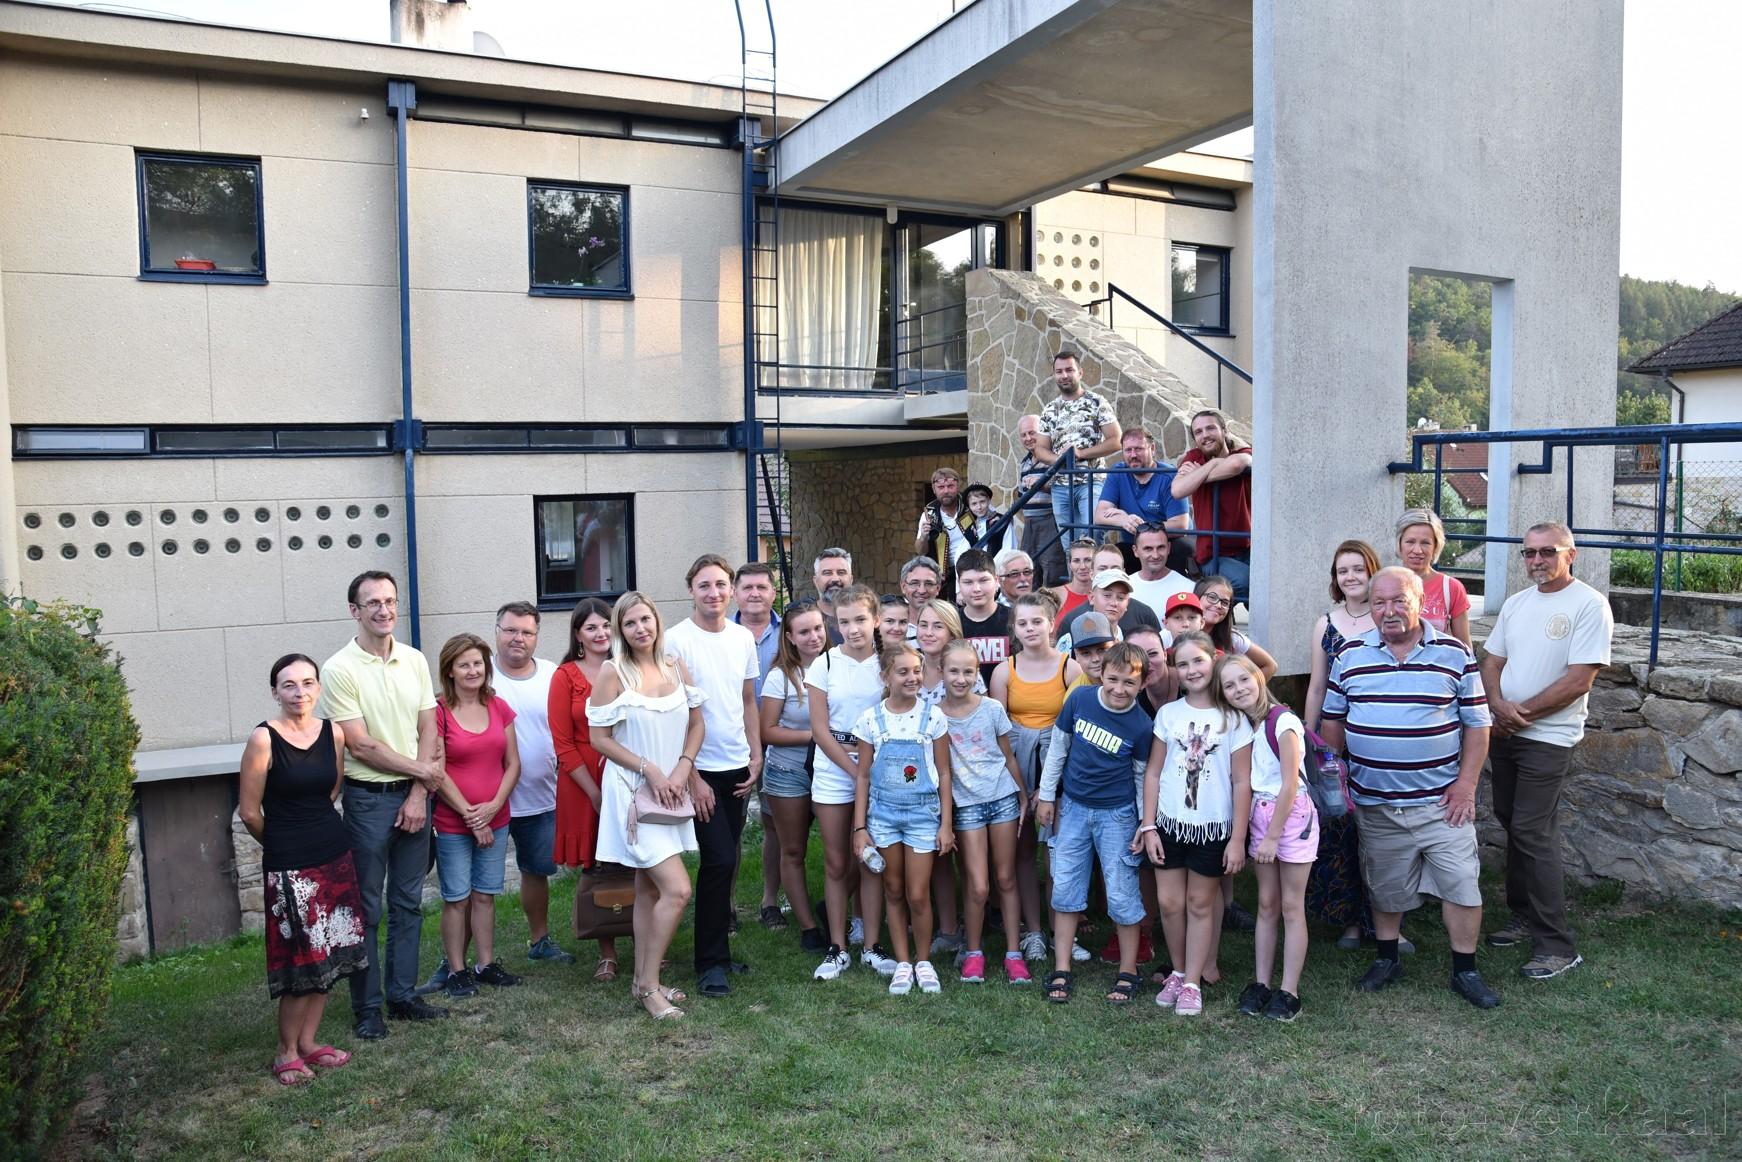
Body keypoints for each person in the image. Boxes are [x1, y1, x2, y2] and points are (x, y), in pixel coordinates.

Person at [1320, 567, 1500, 1009]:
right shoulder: (1349, 654)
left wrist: (1466, 786)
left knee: (1462, 886)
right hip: (1376, 802)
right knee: (1386, 887)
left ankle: (1465, 970)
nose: (1389, 611)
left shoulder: (1455, 653)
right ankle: (1387, 959)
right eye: (1379, 603)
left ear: (1420, 601)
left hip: (1442, 804)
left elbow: (1478, 724)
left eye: (1399, 600)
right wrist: (1336, 776)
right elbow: (1333, 719)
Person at [317, 571, 447, 1039]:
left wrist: (418, 792)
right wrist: (424, 773)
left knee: (408, 903)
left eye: (390, 601)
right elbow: (360, 744)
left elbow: (429, 727)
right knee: (367, 907)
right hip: (368, 801)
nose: (384, 610)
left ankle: (403, 995)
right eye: (372, 602)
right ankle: (368, 1008)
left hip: (414, 797)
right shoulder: (338, 669)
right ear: (354, 610)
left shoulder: (414, 659)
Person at [1480, 521, 1612, 980]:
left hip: (1549, 737)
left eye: (1547, 552)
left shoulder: (1589, 605)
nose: (1537, 560)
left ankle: (1557, 946)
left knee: (1532, 830)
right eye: (1529, 552)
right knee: (1512, 822)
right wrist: (1497, 706)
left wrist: (1520, 714)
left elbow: (1579, 680)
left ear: (1570, 555)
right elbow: (1492, 661)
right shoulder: (1517, 604)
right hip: (1505, 731)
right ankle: (1523, 915)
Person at [238, 654, 366, 1085]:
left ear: (319, 688)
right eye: (289, 685)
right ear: (275, 691)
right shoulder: (263, 739)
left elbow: (331, 790)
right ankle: (286, 1052)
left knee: (328, 954)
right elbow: (249, 811)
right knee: (301, 961)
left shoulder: (334, 733)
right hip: (290, 866)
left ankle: (309, 1043)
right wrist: (283, 843)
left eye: (308, 683)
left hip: (334, 856)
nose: (300, 693)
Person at [588, 592, 704, 1020]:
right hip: (633, 795)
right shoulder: (613, 671)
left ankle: (641, 979)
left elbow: (697, 723)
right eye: (630, 623)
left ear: (657, 620)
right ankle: (651, 987)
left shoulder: (675, 664)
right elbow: (599, 739)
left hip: (671, 793)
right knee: (678, 889)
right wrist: (650, 769)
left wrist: (682, 769)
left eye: (645, 619)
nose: (640, 628)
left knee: (649, 889)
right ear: (620, 630)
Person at [663, 554, 762, 1000]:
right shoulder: (675, 641)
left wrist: (756, 755)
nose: (714, 593)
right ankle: (708, 964)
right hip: (699, 770)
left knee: (727, 861)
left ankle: (718, 952)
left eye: (721, 584)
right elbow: (674, 714)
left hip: (737, 767)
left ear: (732, 590)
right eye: (704, 585)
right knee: (718, 860)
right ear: (691, 590)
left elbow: (747, 700)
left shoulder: (742, 637)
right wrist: (692, 777)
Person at [1139, 632, 1253, 1017]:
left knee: (1200, 903)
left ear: (1214, 660)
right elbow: (1153, 772)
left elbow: (1242, 782)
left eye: (1198, 661)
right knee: (1170, 903)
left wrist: (1237, 839)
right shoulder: (1168, 714)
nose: (1191, 670)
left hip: (1212, 827)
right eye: (1182, 663)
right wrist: (1149, 826)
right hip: (1170, 823)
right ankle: (1178, 970)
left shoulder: (1233, 718)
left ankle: (1192, 983)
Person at [1035, 642, 1154, 1004]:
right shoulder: (1080, 700)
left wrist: (1142, 822)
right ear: (1100, 674)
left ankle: (1128, 969)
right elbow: (1058, 749)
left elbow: (1141, 777)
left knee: (1121, 891)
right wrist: (1046, 795)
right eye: (1113, 679)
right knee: (1066, 885)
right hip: (1073, 808)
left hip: (1117, 815)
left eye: (1129, 683)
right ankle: (1062, 965)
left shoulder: (1141, 726)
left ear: (1143, 684)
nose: (1119, 689)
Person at [1218, 654, 1317, 1023]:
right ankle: (1261, 983)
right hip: (1261, 813)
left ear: (1259, 678)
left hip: (1290, 818)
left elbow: (1290, 784)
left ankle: (1289, 991)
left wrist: (1272, 837)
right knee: (1266, 903)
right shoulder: (1247, 725)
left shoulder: (1283, 721)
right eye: (1229, 685)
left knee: (1291, 905)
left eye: (1244, 679)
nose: (1239, 689)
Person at [853, 642, 956, 996]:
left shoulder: (933, 717)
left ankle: (923, 961)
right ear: (886, 677)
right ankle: (902, 963)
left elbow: (944, 772)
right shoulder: (871, 719)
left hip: (923, 816)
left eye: (916, 671)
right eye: (903, 672)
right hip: (883, 817)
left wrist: (946, 824)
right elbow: (863, 776)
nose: (912, 678)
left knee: (917, 893)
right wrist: (860, 827)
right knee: (893, 889)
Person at [808, 585, 898, 980]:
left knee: (870, 858)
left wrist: (872, 772)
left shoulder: (888, 661)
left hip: (880, 766)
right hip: (836, 767)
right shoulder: (824, 664)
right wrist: (855, 772)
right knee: (836, 861)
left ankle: (872, 946)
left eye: (860, 619)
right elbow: (819, 729)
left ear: (876, 619)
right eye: (844, 622)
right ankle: (837, 947)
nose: (853, 628)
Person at [430, 633, 524, 999]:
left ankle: (486, 965)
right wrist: (473, 818)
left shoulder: (498, 706)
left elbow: (513, 764)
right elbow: (437, 771)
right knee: (457, 898)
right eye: (464, 664)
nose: (473, 670)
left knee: (485, 895)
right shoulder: (438, 711)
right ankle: (457, 971)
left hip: (497, 817)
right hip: (453, 823)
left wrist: (494, 806)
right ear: (450, 671)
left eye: (478, 663)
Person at [991, 591, 1083, 963]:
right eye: (1023, 623)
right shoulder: (1004, 671)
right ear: (1014, 628)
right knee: (1025, 852)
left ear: (1051, 624)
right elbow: (997, 733)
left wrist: (1049, 787)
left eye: (1037, 621)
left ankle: (1063, 931)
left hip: (1058, 765)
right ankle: (1033, 932)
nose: (1030, 629)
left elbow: (1076, 727)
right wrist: (1020, 786)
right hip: (1016, 765)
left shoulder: (1070, 669)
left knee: (1059, 852)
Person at [1302, 540, 1384, 952]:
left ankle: (1386, 921)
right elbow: (1317, 686)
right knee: (1341, 829)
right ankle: (1349, 919)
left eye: (1358, 569)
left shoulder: (1386, 617)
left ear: (1372, 571)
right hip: (1333, 742)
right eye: (1342, 570)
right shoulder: (1326, 624)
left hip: (1379, 738)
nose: (1350, 577)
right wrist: (1308, 735)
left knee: (1382, 831)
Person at [938, 639, 1029, 985]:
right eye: (954, 671)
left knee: (1005, 878)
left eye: (968, 671)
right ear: (942, 672)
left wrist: (1022, 795)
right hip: (967, 806)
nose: (961, 679)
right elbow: (941, 770)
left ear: (977, 673)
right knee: (978, 885)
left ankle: (1013, 953)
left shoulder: (991, 709)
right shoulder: (935, 716)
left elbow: (1008, 756)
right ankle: (974, 952)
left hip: (1002, 798)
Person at [488, 602, 572, 967]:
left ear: (537, 637)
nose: (517, 638)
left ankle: (540, 940)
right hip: (487, 799)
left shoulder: (553, 675)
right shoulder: (479, 672)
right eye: (510, 630)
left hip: (541, 795)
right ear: (497, 632)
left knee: (536, 871)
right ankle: (459, 958)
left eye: (526, 632)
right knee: (478, 882)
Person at [548, 597, 621, 982]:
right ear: (578, 634)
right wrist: (594, 793)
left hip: (625, 772)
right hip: (582, 782)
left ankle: (646, 941)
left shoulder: (628, 667)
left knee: (638, 861)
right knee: (598, 866)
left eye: (606, 625)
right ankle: (606, 951)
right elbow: (562, 744)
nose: (601, 633)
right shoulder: (565, 676)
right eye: (591, 627)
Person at [759, 601, 831, 954]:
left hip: (833, 770)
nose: (813, 636)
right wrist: (817, 736)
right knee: (793, 849)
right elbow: (768, 731)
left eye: (818, 628)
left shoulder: (839, 666)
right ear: (789, 637)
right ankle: (808, 927)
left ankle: (830, 905)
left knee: (845, 850)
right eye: (804, 631)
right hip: (789, 771)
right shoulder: (781, 677)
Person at [733, 562, 786, 932]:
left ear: (773, 592)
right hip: (732, 745)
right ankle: (727, 906)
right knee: (730, 828)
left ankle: (770, 901)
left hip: (779, 742)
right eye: (747, 587)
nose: (754, 593)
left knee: (774, 824)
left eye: (761, 587)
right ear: (735, 593)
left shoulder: (788, 633)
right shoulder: (722, 633)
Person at [1032, 350, 1122, 557]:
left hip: (1091, 481)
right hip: (1060, 486)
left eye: (1069, 370)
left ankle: (1097, 579)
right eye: (1059, 371)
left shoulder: (1096, 402)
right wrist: (1061, 459)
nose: (1064, 375)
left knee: (1091, 540)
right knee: (1069, 548)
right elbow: (1040, 449)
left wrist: (1080, 453)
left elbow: (1116, 440)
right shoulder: (1050, 409)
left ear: (1080, 372)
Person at [1171, 408, 1253, 605]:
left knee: (1271, 581)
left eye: (1210, 428)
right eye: (1198, 432)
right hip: (1212, 554)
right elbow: (1177, 490)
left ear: (1224, 431)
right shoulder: (1194, 457)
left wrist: (1197, 476)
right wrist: (1212, 464)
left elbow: (1238, 464)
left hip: (1247, 547)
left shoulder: (1241, 453)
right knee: (1250, 582)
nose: (1205, 435)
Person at [1095, 427, 1191, 569]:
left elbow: (1180, 525)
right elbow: (1099, 515)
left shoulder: (1169, 476)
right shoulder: (1118, 473)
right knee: (1114, 558)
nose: (1133, 455)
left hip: (1167, 544)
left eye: (1138, 449)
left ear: (1152, 449)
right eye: (1128, 450)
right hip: (1135, 546)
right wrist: (1124, 519)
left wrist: (1140, 527)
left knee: (1181, 551)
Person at [1396, 508, 1471, 647]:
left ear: (1436, 546)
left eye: (1425, 543)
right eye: (1410, 542)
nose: (1417, 550)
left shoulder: (1451, 588)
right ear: (1399, 544)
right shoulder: (1383, 585)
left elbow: (1465, 648)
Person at [1015, 414, 1067, 586]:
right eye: (1023, 435)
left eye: (1032, 433)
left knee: (1052, 570)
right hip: (1029, 523)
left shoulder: (1054, 458)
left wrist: (1042, 485)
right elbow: (1022, 495)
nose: (1028, 438)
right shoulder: (1024, 463)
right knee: (1028, 570)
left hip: (1050, 520)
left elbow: (1064, 489)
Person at [1056, 568, 1160, 653]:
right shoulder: (1071, 638)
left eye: (1120, 598)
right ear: (1092, 597)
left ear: (1127, 603)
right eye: (1107, 595)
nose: (1114, 603)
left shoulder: (1133, 640)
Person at [1196, 575, 1278, 678]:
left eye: (1225, 602)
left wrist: (1245, 685)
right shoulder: (1180, 631)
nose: (1218, 605)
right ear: (1197, 597)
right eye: (1212, 597)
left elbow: (1270, 666)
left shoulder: (1233, 638)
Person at [955, 549, 1012, 685]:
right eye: (968, 582)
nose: (977, 589)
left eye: (983, 580)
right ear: (959, 584)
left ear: (996, 580)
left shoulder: (1015, 619)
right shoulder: (951, 622)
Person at [915, 467, 976, 594]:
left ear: (958, 486)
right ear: (934, 490)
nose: (946, 491)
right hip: (943, 574)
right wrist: (924, 537)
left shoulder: (971, 506)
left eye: (950, 486)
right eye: (941, 487)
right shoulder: (928, 515)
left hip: (972, 568)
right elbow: (920, 551)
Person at [1126, 523, 1196, 613]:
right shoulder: (1125, 587)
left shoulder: (1188, 588)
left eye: (1160, 547)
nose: (1155, 555)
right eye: (1148, 549)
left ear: (1169, 548)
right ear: (1135, 551)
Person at [1050, 538, 1099, 623]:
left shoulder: (1104, 596)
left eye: (1088, 560)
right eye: (1076, 561)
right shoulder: (1055, 595)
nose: (1082, 566)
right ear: (1070, 564)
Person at [813, 547, 854, 638]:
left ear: (851, 580)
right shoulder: (804, 619)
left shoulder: (866, 617)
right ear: (816, 581)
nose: (835, 579)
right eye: (827, 573)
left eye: (841, 572)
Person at [899, 556, 944, 637]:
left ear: (938, 588)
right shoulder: (892, 626)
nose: (921, 591)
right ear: (903, 587)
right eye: (914, 583)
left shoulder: (948, 624)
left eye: (929, 584)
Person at [963, 482, 1008, 555]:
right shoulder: (970, 530)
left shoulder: (1002, 522)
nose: (979, 507)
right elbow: (963, 554)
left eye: (982, 502)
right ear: (969, 506)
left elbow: (1008, 549)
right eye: (974, 504)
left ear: (989, 501)